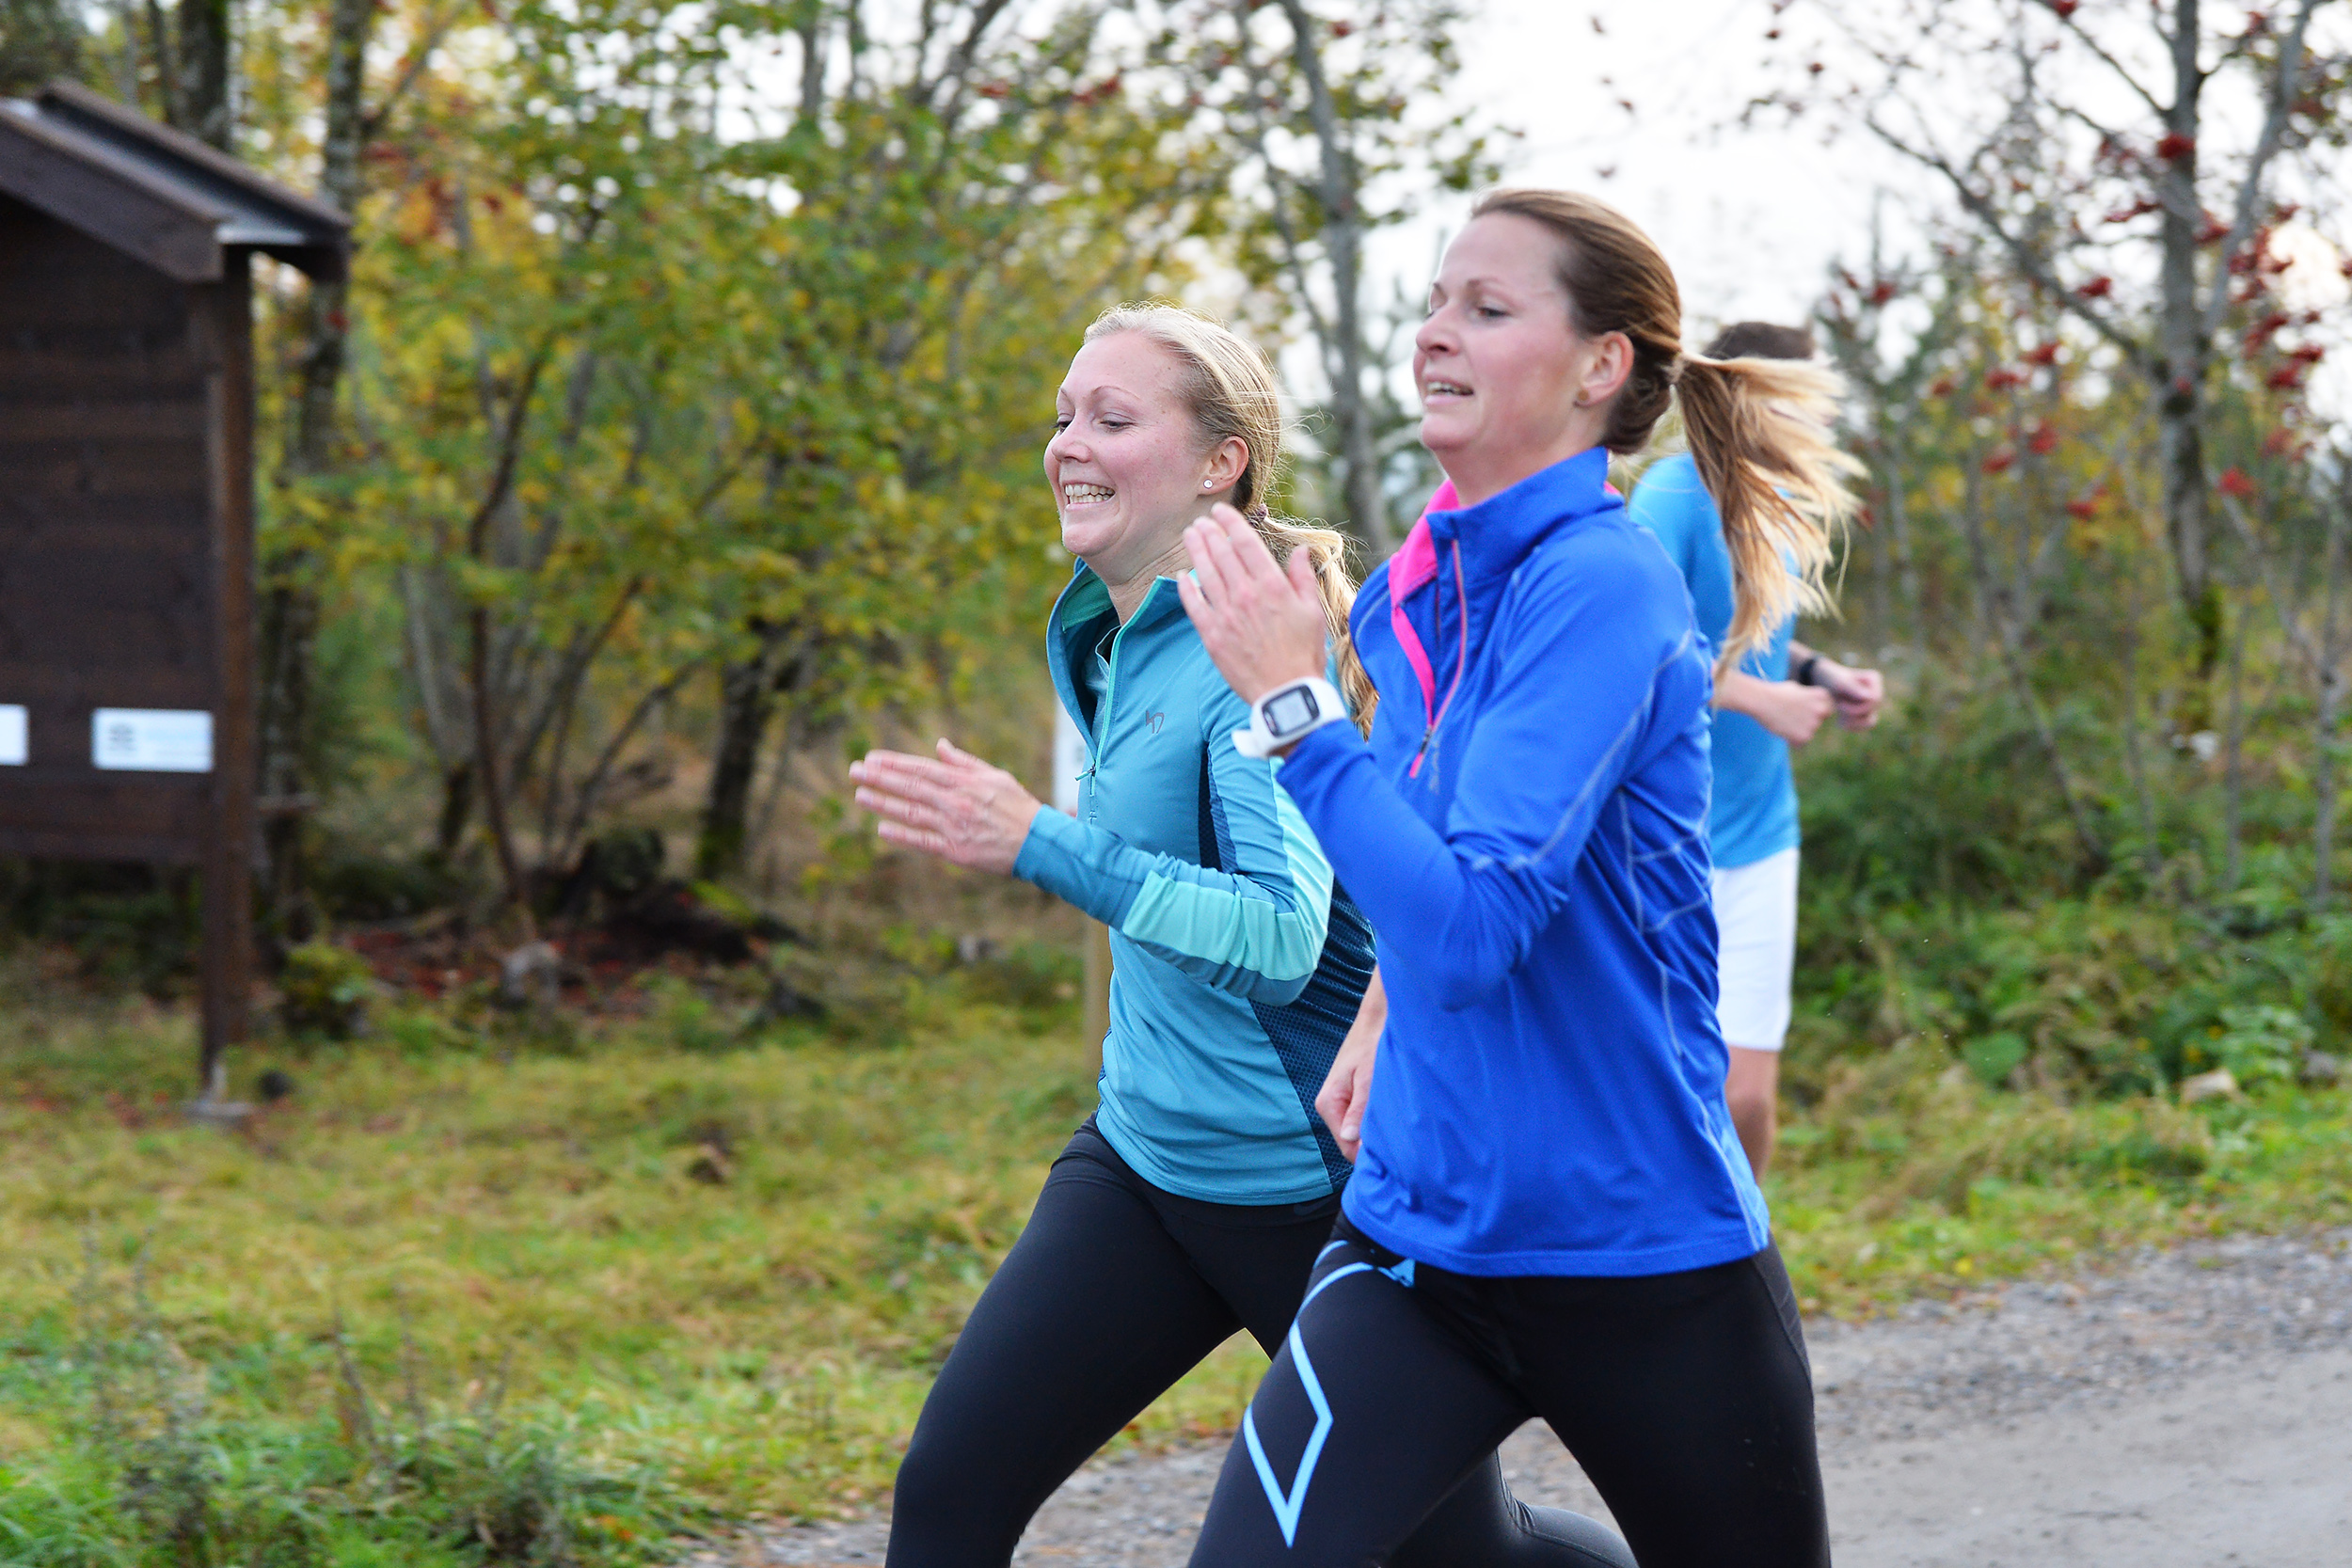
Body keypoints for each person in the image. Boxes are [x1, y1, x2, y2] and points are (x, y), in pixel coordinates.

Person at [848, 303, 1632, 1568]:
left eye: (1112, 418)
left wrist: (1039, 838)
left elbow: (1279, 936)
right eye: (1062, 417)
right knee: (949, 1490)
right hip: (1147, 1163)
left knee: (1470, 1558)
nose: (1068, 445)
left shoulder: (1247, 656)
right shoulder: (1110, 631)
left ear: (1222, 462)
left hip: (1307, 1192)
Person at [1173, 189, 1859, 1568]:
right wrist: (1375, 1016)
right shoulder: (1416, 587)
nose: (1437, 331)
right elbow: (1425, 856)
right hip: (1420, 1247)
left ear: (1601, 367)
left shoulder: (1601, 587)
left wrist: (1296, 707)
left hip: (1644, 1257)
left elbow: (1480, 924)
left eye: (1488, 308)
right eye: (1437, 300)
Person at [1627, 319, 1885, 1177]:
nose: (1817, 428)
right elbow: (1634, 645)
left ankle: (1741, 1267)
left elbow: (1753, 640)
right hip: (1665, 847)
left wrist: (1822, 671)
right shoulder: (1673, 494)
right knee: (1669, 1090)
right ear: (1744, 402)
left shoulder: (1771, 509)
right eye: (1800, 407)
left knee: (1748, 1096)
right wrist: (1758, 699)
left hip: (1763, 834)